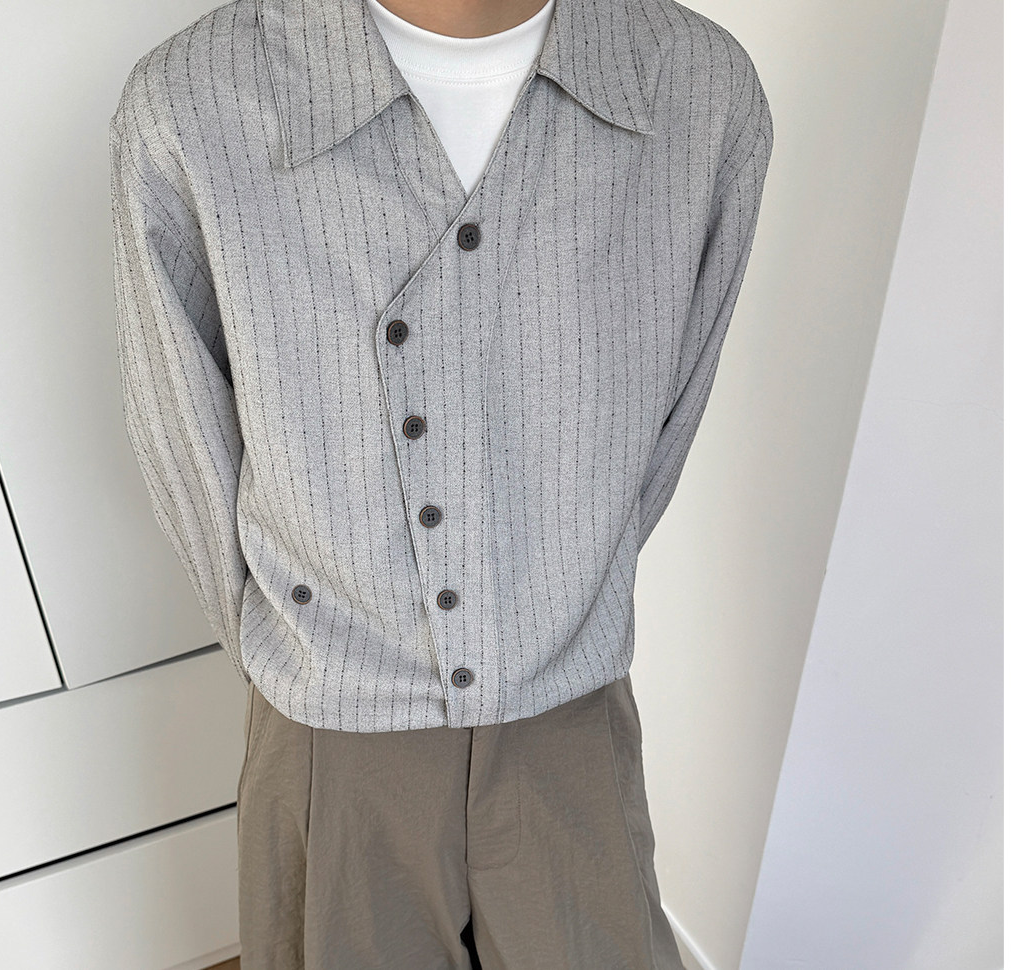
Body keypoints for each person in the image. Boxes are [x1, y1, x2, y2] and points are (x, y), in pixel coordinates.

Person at [109, 0, 774, 966]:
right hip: (333, 735)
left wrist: (560, 604)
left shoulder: (698, 92)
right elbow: (185, 436)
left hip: (572, 718)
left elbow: (669, 411)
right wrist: (309, 648)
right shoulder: (192, 104)